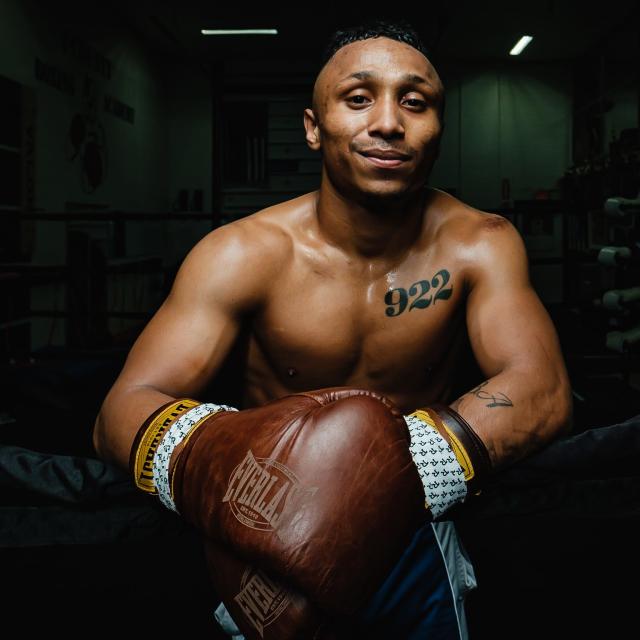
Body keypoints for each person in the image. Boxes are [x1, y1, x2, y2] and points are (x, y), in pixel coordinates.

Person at [91, 21, 572, 640]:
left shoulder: (479, 245)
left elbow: (542, 387)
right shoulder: (242, 254)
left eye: (414, 101)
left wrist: (386, 482)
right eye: (358, 97)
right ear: (314, 127)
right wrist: (247, 491)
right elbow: (121, 410)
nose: (389, 122)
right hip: (265, 539)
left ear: (438, 127)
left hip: (415, 531)